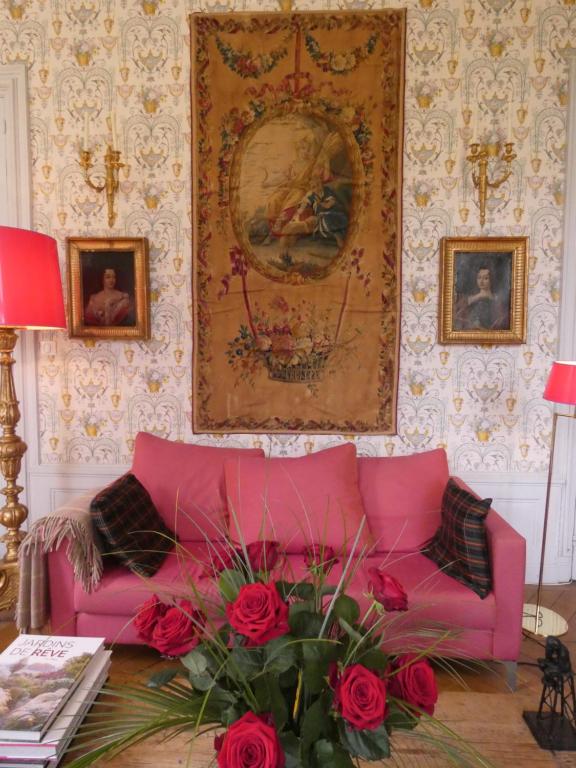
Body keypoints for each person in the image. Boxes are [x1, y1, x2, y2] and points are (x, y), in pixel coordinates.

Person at [454, 264, 510, 331]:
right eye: (479, 277)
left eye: (486, 278)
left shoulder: (497, 300)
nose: (481, 281)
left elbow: (500, 321)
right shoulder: (469, 299)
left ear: (491, 280)